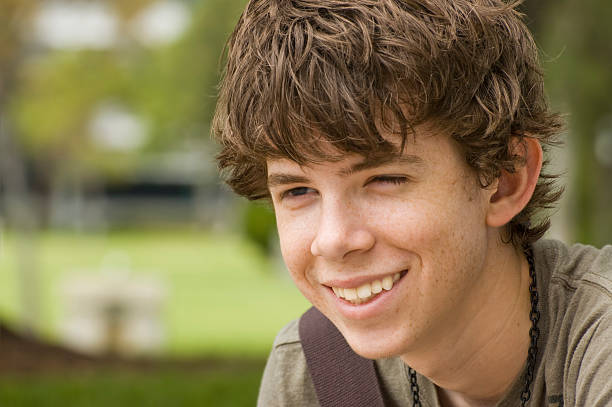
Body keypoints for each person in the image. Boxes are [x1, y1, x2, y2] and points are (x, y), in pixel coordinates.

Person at [212, 0, 612, 406]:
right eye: (298, 191)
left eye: (384, 179)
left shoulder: (598, 345)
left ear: (506, 178)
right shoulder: (314, 373)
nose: (333, 240)